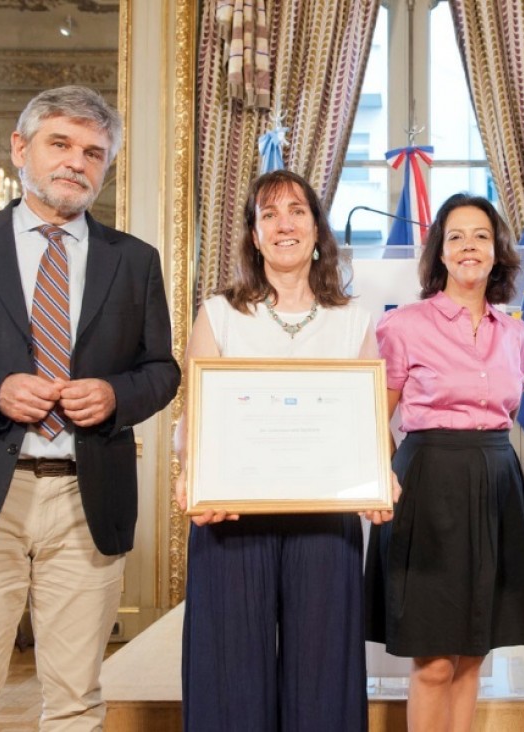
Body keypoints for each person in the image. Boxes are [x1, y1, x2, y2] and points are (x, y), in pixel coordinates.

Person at [0, 86, 180, 730]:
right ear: (19, 149)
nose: (76, 162)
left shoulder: (134, 260)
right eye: (60, 144)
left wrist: (116, 395)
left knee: (77, 703)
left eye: (94, 152)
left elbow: (161, 371)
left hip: (86, 500)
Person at [175, 169, 393, 731]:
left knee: (324, 678)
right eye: (268, 214)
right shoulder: (219, 313)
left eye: (296, 210)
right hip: (231, 516)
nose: (284, 224)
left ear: (317, 228)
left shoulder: (353, 321)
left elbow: (371, 424)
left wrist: (381, 474)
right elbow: (194, 419)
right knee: (229, 675)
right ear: (253, 234)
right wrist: (191, 474)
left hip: (325, 522)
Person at [365, 193, 524, 731]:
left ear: (497, 251)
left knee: (474, 656)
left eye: (481, 236)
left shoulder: (515, 332)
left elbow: (511, 411)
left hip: (497, 483)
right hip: (428, 486)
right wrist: (383, 487)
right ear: (440, 252)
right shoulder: (404, 327)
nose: (469, 246)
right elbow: (373, 422)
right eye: (457, 236)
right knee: (436, 660)